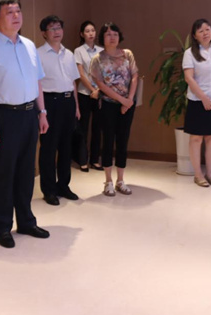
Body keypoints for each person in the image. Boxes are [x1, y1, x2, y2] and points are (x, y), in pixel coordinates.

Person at [0, 0, 50, 248]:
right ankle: (3, 227)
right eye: (10, 12)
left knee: (27, 172)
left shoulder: (29, 45)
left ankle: (26, 221)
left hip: (29, 114)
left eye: (18, 11)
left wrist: (42, 112)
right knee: (4, 174)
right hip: (4, 116)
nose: (16, 16)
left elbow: (37, 81)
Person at [90, 22, 138, 197]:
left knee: (123, 141)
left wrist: (129, 100)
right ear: (102, 37)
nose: (112, 37)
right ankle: (108, 181)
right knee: (108, 140)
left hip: (128, 104)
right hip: (108, 104)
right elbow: (101, 85)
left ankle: (121, 180)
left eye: (115, 34)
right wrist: (122, 100)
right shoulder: (97, 59)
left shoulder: (127, 54)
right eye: (108, 34)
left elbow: (134, 76)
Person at [37, 15, 80, 206]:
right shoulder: (38, 54)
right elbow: (36, 84)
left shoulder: (68, 54)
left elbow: (72, 82)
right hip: (49, 102)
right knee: (48, 147)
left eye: (59, 28)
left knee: (66, 146)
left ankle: (63, 185)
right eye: (52, 28)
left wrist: (76, 106)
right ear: (44, 33)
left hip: (68, 102)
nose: (57, 32)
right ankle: (49, 190)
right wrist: (41, 111)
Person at [182, 18, 211, 187]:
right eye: (200, 31)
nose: (205, 33)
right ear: (195, 35)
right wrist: (203, 97)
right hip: (197, 101)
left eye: (207, 29)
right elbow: (189, 78)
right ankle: (198, 175)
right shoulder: (189, 53)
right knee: (196, 138)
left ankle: (210, 174)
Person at [73, 21, 103, 172]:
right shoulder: (78, 51)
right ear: (82, 34)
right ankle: (83, 160)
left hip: (100, 93)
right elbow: (80, 74)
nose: (91, 33)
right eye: (87, 31)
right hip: (84, 93)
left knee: (98, 128)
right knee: (83, 128)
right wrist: (92, 90)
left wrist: (99, 90)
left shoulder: (102, 50)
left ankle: (95, 160)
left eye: (92, 30)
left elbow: (104, 72)